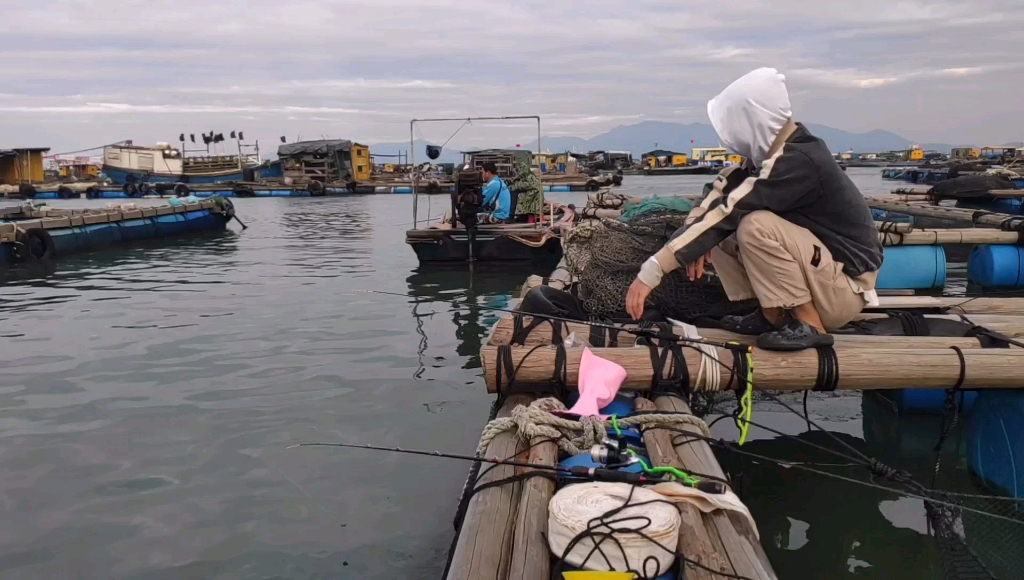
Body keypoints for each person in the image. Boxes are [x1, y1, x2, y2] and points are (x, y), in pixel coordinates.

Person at [625, 67, 883, 351]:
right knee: (712, 229)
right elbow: (717, 194)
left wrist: (652, 270)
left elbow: (730, 211)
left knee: (753, 224)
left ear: (752, 118)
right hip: (824, 277)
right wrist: (693, 237)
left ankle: (810, 324)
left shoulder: (799, 160)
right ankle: (772, 315)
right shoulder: (767, 157)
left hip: (845, 288)